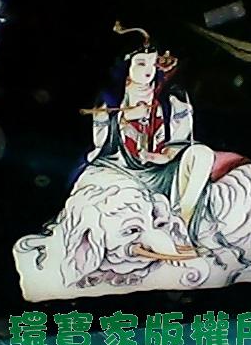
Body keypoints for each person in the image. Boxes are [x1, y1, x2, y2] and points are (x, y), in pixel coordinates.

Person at [81, 22, 215, 234]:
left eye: (153, 64)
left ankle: (182, 224)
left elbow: (180, 144)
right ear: (126, 66)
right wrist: (124, 121)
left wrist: (159, 156)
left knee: (202, 154)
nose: (148, 71)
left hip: (163, 173)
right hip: (121, 172)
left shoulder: (172, 101)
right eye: (141, 63)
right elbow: (100, 146)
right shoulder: (110, 103)